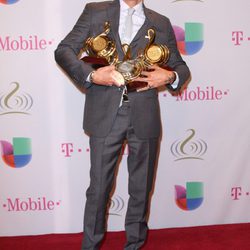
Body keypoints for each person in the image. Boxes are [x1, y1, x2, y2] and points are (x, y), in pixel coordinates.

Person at [55, 0, 190, 249]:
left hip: (145, 114)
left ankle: (134, 245)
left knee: (141, 189)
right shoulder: (95, 11)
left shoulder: (160, 22)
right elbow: (63, 50)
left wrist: (170, 75)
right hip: (105, 114)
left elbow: (181, 67)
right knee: (99, 189)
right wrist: (93, 75)